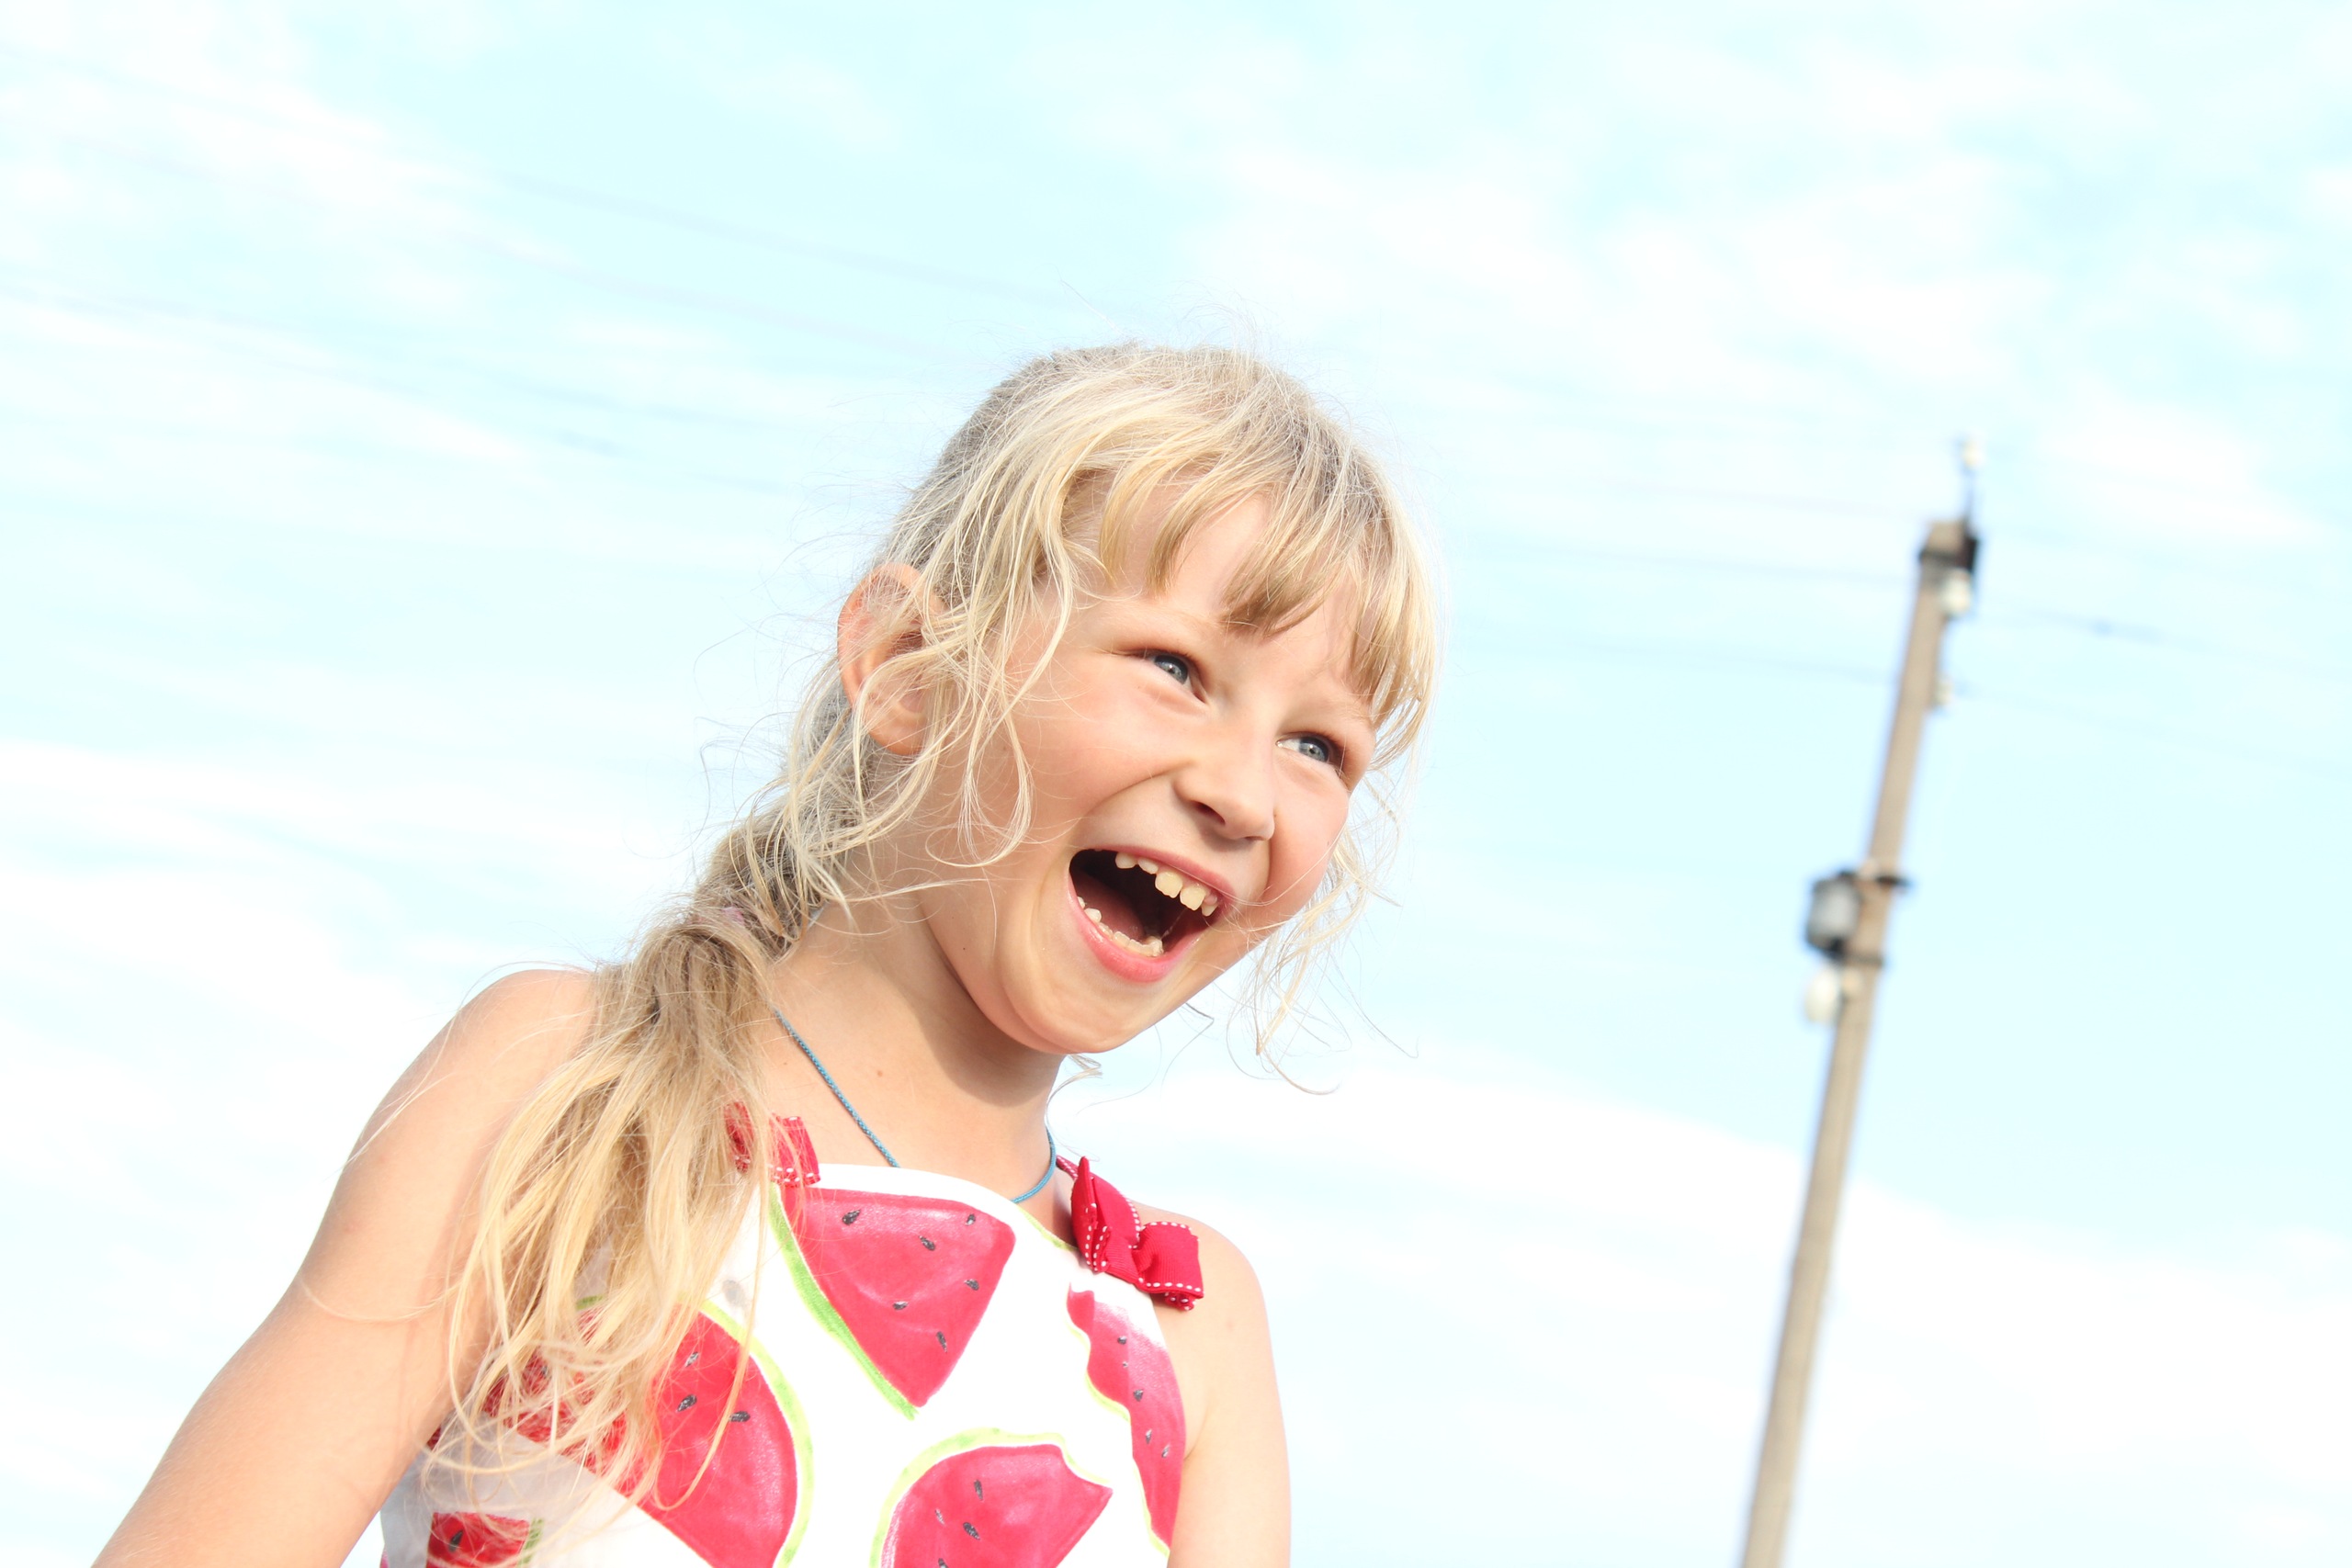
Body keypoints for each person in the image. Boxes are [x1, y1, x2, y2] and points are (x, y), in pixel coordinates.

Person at [97, 343, 1439, 1568]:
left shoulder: (1189, 1329)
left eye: (1318, 745)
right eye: (1177, 668)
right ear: (909, 667)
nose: (1244, 796)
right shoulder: (566, 1091)